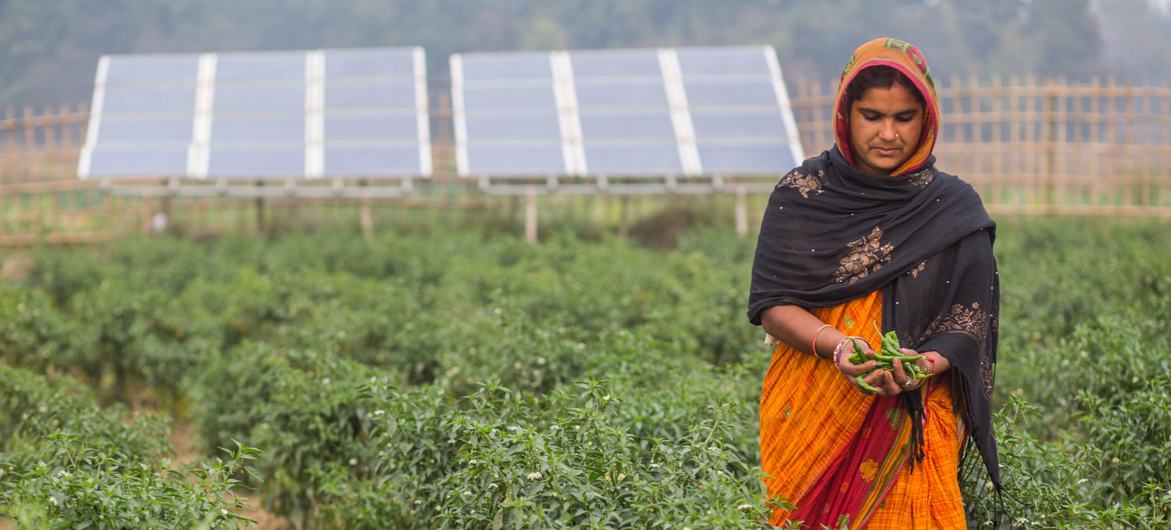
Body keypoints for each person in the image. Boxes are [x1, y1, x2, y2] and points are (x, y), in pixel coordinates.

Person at [747, 38, 1001, 528]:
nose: (888, 134)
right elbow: (772, 303)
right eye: (872, 116)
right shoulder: (802, 196)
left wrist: (922, 364)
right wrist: (841, 348)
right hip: (813, 404)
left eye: (904, 118)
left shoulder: (954, 209)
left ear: (926, 119)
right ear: (846, 114)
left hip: (914, 412)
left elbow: (969, 320)